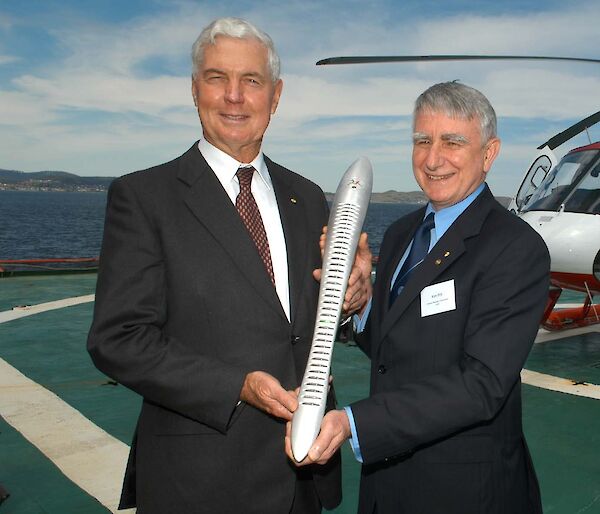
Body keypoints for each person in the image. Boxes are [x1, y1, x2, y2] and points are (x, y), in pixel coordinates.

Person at [87, 17, 369, 514]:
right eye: (218, 78)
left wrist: (350, 301)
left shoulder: (306, 196)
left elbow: (307, 322)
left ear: (275, 96)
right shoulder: (144, 197)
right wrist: (236, 385)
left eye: (252, 81)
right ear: (196, 91)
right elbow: (118, 339)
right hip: (199, 483)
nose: (234, 96)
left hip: (302, 474)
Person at [286, 81, 550, 514]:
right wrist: (360, 304)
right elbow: (391, 348)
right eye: (423, 141)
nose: (432, 159)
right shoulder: (400, 234)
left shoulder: (515, 248)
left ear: (489, 152)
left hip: (465, 491)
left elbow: (481, 384)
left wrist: (354, 423)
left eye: (452, 142)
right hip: (386, 486)